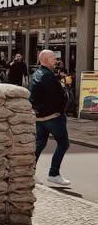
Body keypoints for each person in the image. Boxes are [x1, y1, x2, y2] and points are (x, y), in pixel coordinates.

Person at [29, 49, 70, 187]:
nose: (56, 61)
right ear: (46, 60)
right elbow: (57, 96)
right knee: (63, 143)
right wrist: (60, 111)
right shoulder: (48, 76)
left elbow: (33, 96)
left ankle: (29, 172)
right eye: (53, 58)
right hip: (52, 117)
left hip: (40, 118)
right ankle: (53, 174)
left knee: (39, 144)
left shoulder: (36, 74)